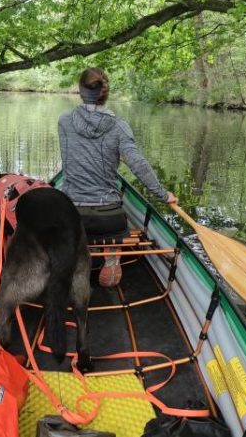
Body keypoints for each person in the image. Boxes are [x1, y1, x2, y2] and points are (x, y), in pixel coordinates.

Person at [58, 67, 177, 288]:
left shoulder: (65, 122)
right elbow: (138, 165)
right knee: (115, 221)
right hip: (109, 218)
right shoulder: (119, 126)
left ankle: (75, 261)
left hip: (73, 215)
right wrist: (163, 195)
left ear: (80, 90)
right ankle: (112, 257)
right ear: (106, 92)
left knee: (66, 219)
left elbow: (69, 161)